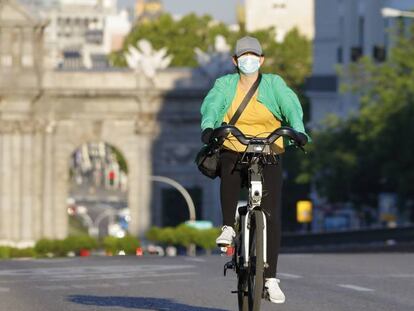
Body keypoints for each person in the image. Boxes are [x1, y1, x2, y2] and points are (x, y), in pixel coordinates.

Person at [199, 36, 310, 304]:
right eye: (243, 56)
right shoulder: (225, 84)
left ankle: (270, 278)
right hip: (234, 143)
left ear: (261, 60)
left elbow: (291, 106)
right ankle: (227, 226)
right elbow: (212, 105)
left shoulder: (274, 84)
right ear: (235, 61)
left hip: (269, 149)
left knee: (271, 215)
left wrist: (299, 130)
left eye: (254, 56)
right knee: (229, 169)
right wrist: (209, 126)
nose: (249, 60)